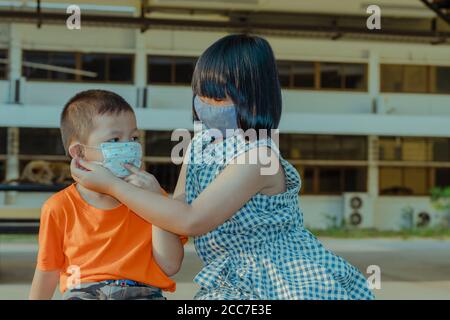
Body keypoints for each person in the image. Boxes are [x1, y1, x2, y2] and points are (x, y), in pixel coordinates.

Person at [71, 35, 375, 300]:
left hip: (285, 279)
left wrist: (114, 187)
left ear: (253, 97)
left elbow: (192, 221)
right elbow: (174, 225)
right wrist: (153, 194)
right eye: (201, 93)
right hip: (230, 279)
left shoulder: (258, 157)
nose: (205, 103)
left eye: (217, 96)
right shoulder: (197, 146)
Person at [29, 90, 186, 300]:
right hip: (84, 293)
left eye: (134, 137)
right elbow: (47, 272)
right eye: (114, 140)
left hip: (142, 293)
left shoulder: (151, 199)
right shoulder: (58, 207)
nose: (129, 146)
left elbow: (170, 265)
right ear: (80, 152)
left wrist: (155, 200)